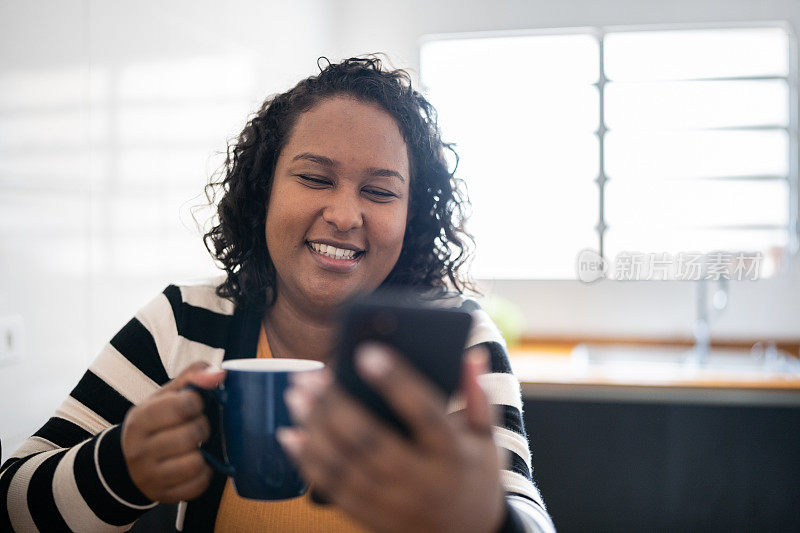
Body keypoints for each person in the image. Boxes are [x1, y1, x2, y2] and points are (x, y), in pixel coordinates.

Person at [0, 56, 555, 532]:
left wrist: (485, 518)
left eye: (380, 191)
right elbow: (11, 503)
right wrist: (118, 469)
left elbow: (528, 518)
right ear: (264, 190)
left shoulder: (456, 340)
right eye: (314, 179)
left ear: (411, 217)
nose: (342, 215)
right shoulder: (182, 323)